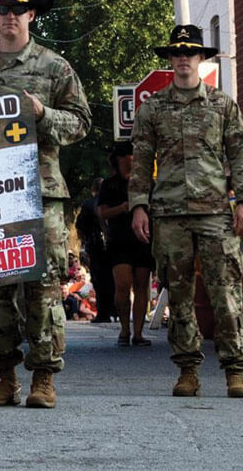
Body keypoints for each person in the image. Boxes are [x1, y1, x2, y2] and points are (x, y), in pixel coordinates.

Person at [0, 0, 91, 409]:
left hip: (41, 192)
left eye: (17, 9)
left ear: (31, 14)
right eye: (1, 9)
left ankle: (43, 376)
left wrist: (42, 113)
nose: (9, 16)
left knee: (43, 286)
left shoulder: (55, 67)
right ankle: (1, 375)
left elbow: (81, 124)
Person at [129, 24, 243, 399]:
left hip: (216, 211)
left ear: (202, 59)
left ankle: (236, 370)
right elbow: (140, 163)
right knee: (179, 294)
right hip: (169, 214)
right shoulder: (152, 108)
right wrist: (139, 206)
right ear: (170, 59)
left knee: (226, 293)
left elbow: (240, 155)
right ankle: (187, 370)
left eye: (190, 52)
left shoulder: (222, 105)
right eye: (177, 52)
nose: (183, 58)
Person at [98, 141, 153, 346]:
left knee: (141, 285)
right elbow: (102, 212)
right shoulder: (109, 184)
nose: (135, 159)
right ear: (121, 158)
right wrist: (122, 208)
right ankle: (124, 328)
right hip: (119, 239)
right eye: (131, 155)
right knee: (122, 284)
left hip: (143, 239)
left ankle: (138, 333)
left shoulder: (146, 183)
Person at [75, 177, 114, 323]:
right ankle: (114, 311)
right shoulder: (112, 203)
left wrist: (83, 243)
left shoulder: (88, 204)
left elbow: (80, 225)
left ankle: (103, 312)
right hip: (112, 244)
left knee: (98, 279)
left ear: (93, 190)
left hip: (95, 244)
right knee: (112, 278)